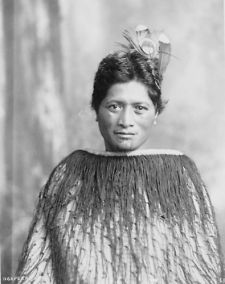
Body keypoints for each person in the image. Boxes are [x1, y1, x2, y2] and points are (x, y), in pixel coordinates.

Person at [16, 25, 224, 284]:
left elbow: (200, 273)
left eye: (139, 108)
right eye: (114, 106)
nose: (126, 120)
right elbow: (38, 269)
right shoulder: (68, 177)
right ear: (96, 109)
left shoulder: (179, 180)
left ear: (156, 114)